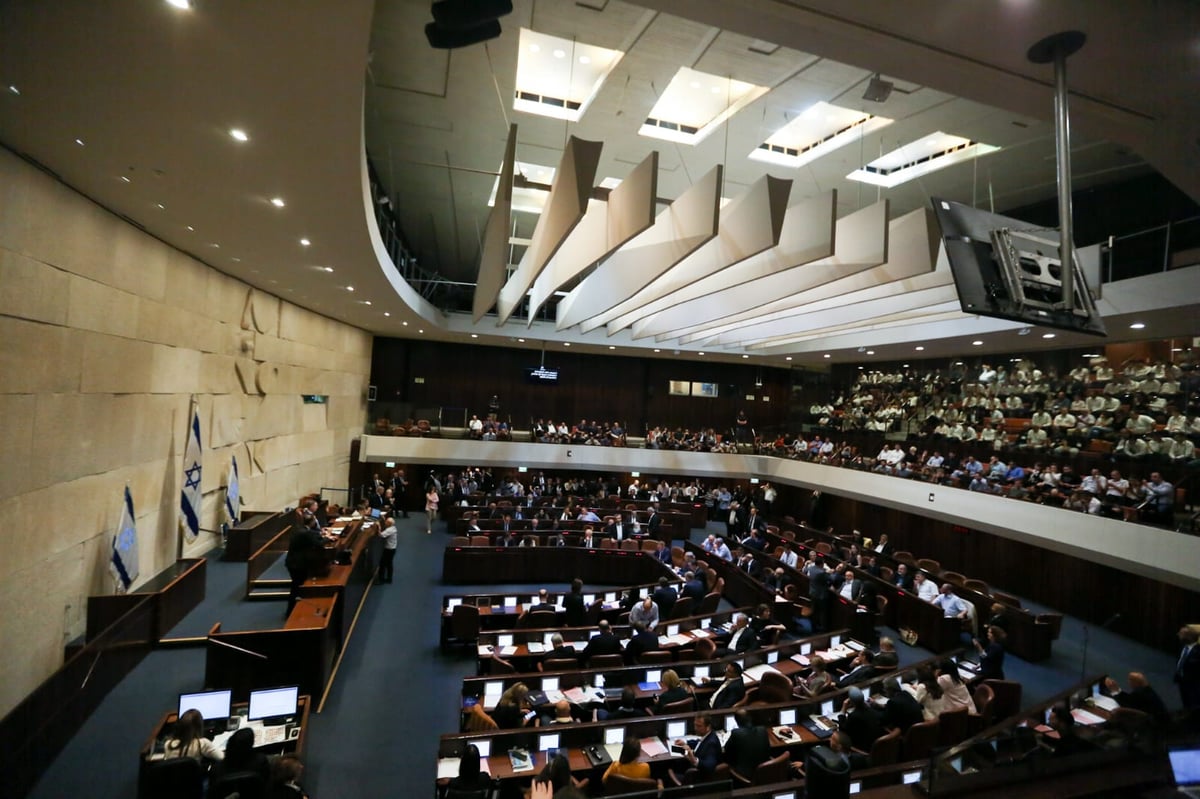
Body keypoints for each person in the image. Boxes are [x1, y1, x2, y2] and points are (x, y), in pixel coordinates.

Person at [284, 518, 328, 614]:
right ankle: (292, 611)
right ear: (312, 522)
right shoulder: (306, 533)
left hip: (292, 562)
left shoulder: (300, 530)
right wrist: (328, 539)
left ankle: (291, 610)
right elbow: (318, 544)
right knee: (297, 587)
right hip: (297, 564)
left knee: (296, 587)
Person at [671, 713, 722, 783]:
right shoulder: (709, 735)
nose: (695, 728)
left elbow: (709, 766)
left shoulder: (711, 744)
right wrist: (685, 742)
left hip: (697, 779)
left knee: (668, 771)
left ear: (708, 727)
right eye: (695, 725)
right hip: (692, 770)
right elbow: (699, 742)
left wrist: (694, 760)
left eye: (699, 726)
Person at [1103, 671, 1169, 723]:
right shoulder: (1147, 692)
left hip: (1152, 726)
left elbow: (1128, 705)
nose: (1128, 682)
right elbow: (1130, 700)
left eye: (1130, 680)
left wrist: (1114, 691)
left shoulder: (1140, 695)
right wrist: (1117, 690)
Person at [724, 708, 770, 778]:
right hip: (765, 770)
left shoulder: (736, 733)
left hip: (745, 775)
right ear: (750, 718)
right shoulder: (762, 729)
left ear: (737, 722)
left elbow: (726, 749)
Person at [837, 686, 883, 752]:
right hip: (876, 746)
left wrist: (843, 710)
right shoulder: (872, 710)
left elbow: (842, 730)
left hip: (863, 749)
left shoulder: (854, 716)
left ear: (851, 702)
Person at [1176, 625, 1200, 726]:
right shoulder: (1183, 647)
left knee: (1193, 700)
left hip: (1192, 682)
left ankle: (1193, 721)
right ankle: (1187, 712)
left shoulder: (1198, 652)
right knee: (1185, 698)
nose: (1178, 635)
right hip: (1182, 678)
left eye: (1181, 634)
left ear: (1188, 638)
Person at [376, 516, 397, 584]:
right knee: (389, 564)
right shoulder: (392, 528)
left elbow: (381, 535)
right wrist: (383, 518)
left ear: (389, 523)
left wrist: (379, 526)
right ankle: (389, 578)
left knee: (383, 564)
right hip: (392, 548)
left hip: (389, 549)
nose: (385, 523)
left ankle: (381, 580)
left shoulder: (389, 530)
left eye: (386, 522)